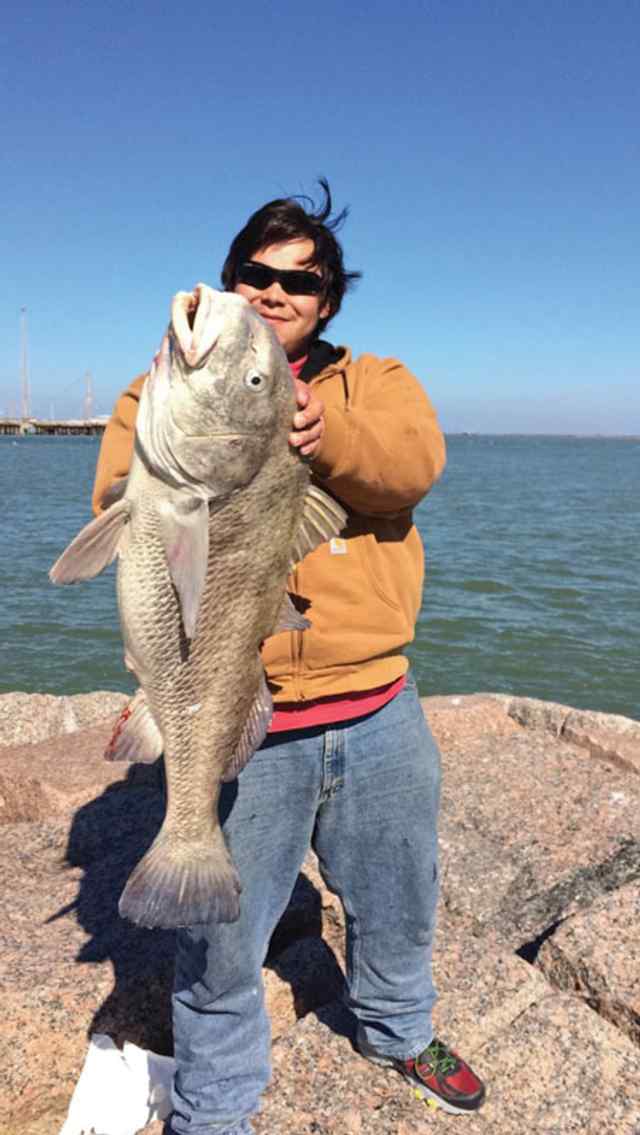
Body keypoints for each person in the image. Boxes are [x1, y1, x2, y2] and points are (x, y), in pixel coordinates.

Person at [92, 180, 485, 1133]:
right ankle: (216, 1106)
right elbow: (118, 495)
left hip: (377, 707)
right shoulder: (156, 392)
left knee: (397, 895)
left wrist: (325, 433)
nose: (274, 293)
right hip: (244, 719)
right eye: (255, 275)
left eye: (299, 282)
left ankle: (398, 1026)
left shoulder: (374, 383)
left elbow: (411, 464)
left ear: (328, 301)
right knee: (220, 940)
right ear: (233, 279)